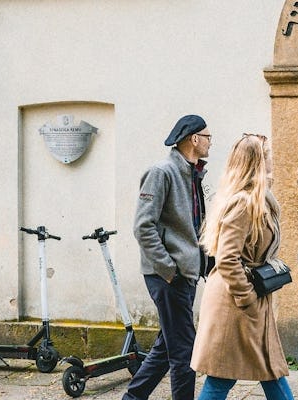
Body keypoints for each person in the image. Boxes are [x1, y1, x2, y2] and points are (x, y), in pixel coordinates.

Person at [191, 133, 294, 400]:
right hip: (234, 304)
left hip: (246, 302)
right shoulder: (243, 203)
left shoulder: (257, 199)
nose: (273, 160)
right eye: (268, 156)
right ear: (258, 161)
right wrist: (247, 297)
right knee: (222, 377)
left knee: (269, 370)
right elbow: (226, 258)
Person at [124, 114, 213, 400]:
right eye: (208, 136)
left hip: (184, 275)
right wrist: (168, 269)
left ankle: (132, 398)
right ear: (194, 139)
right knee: (184, 352)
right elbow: (142, 226)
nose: (212, 142)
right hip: (168, 277)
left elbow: (192, 225)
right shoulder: (161, 172)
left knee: (166, 348)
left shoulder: (192, 173)